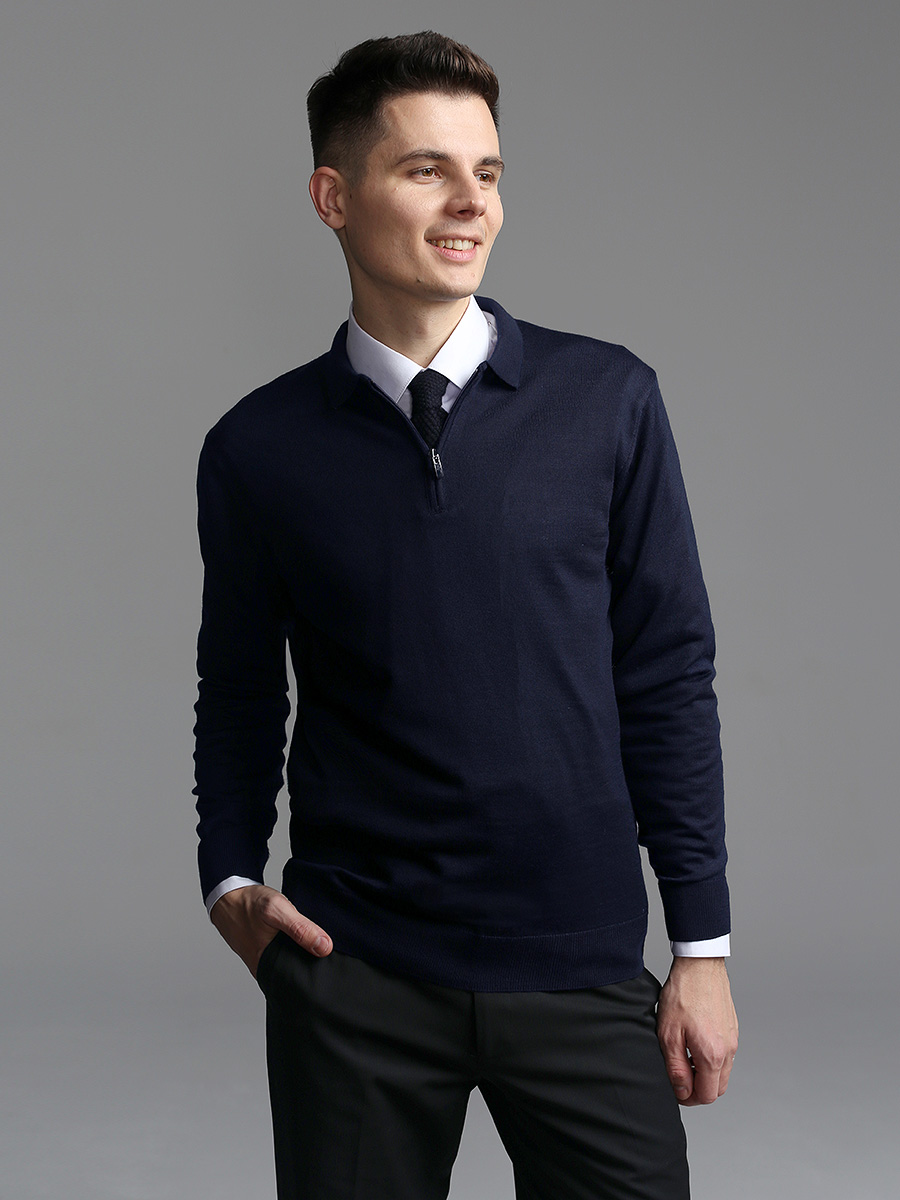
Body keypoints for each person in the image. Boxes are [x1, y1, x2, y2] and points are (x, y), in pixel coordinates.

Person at [193, 30, 738, 1200]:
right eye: (426, 169)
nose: (470, 203)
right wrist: (229, 878)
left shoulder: (608, 402)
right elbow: (238, 691)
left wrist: (702, 947)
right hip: (357, 975)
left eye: (487, 172)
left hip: (581, 964)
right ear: (334, 198)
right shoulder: (257, 449)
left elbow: (666, 676)